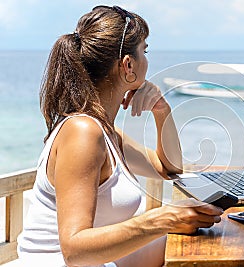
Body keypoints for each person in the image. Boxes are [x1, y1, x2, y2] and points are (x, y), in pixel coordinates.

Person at [17, 5, 223, 267]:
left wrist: (162, 111)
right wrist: (159, 220)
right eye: (144, 52)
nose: (148, 61)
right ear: (128, 65)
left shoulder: (104, 131)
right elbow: (74, 250)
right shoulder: (83, 132)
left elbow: (168, 167)